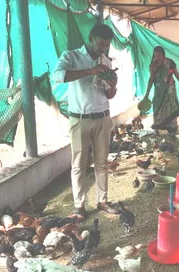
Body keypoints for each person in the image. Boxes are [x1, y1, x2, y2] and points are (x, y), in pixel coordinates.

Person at [52, 24, 120, 218]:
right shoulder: (71, 57)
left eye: (106, 45)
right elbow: (58, 76)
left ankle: (103, 201)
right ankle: (79, 206)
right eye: (100, 43)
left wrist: (113, 85)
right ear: (90, 37)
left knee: (101, 162)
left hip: (103, 117)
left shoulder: (105, 61)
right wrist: (90, 71)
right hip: (79, 119)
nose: (103, 48)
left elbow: (109, 94)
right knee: (79, 164)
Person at [143, 46, 179, 137]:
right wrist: (147, 93)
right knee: (157, 107)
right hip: (159, 90)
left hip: (170, 90)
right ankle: (156, 130)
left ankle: (171, 130)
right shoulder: (153, 65)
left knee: (170, 109)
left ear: (163, 55)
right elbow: (151, 79)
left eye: (158, 55)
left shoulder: (170, 63)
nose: (156, 58)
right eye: (155, 56)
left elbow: (177, 75)